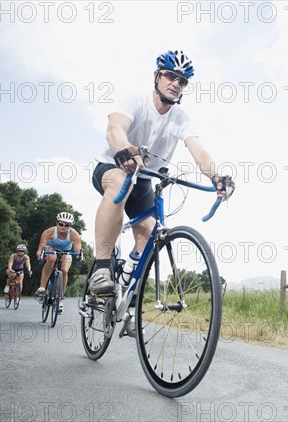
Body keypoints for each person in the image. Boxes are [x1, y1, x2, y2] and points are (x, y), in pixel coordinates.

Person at [88, 49, 235, 300]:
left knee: (150, 231)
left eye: (183, 81)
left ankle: (127, 285)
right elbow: (115, 128)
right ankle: (101, 269)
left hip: (145, 178)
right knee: (120, 181)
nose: (176, 84)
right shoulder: (134, 99)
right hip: (114, 167)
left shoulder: (182, 119)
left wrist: (217, 177)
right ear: (157, 76)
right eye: (171, 76)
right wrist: (124, 149)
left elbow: (199, 151)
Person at [34, 212, 82, 314]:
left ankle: (60, 299)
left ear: (70, 226)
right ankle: (42, 287)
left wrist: (79, 256)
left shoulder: (74, 235)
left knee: (64, 270)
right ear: (57, 223)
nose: (63, 227)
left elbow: (78, 250)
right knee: (52, 258)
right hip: (51, 248)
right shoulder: (49, 232)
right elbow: (40, 248)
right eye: (61, 224)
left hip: (66, 252)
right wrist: (40, 255)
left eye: (67, 225)